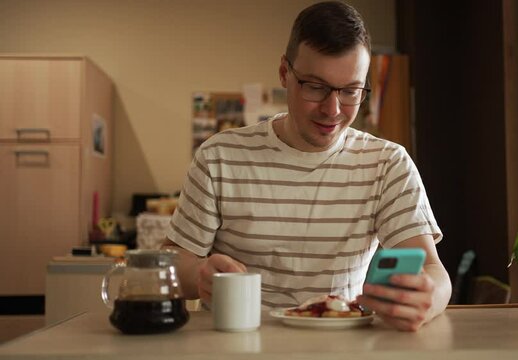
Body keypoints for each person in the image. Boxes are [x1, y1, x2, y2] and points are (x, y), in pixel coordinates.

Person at [163, 1, 451, 331]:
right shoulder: (219, 157)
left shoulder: (387, 163)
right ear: (285, 73)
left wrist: (428, 298)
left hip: (342, 345)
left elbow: (432, 268)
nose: (332, 109)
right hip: (236, 343)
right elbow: (173, 262)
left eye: (350, 91)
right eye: (315, 87)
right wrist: (197, 274)